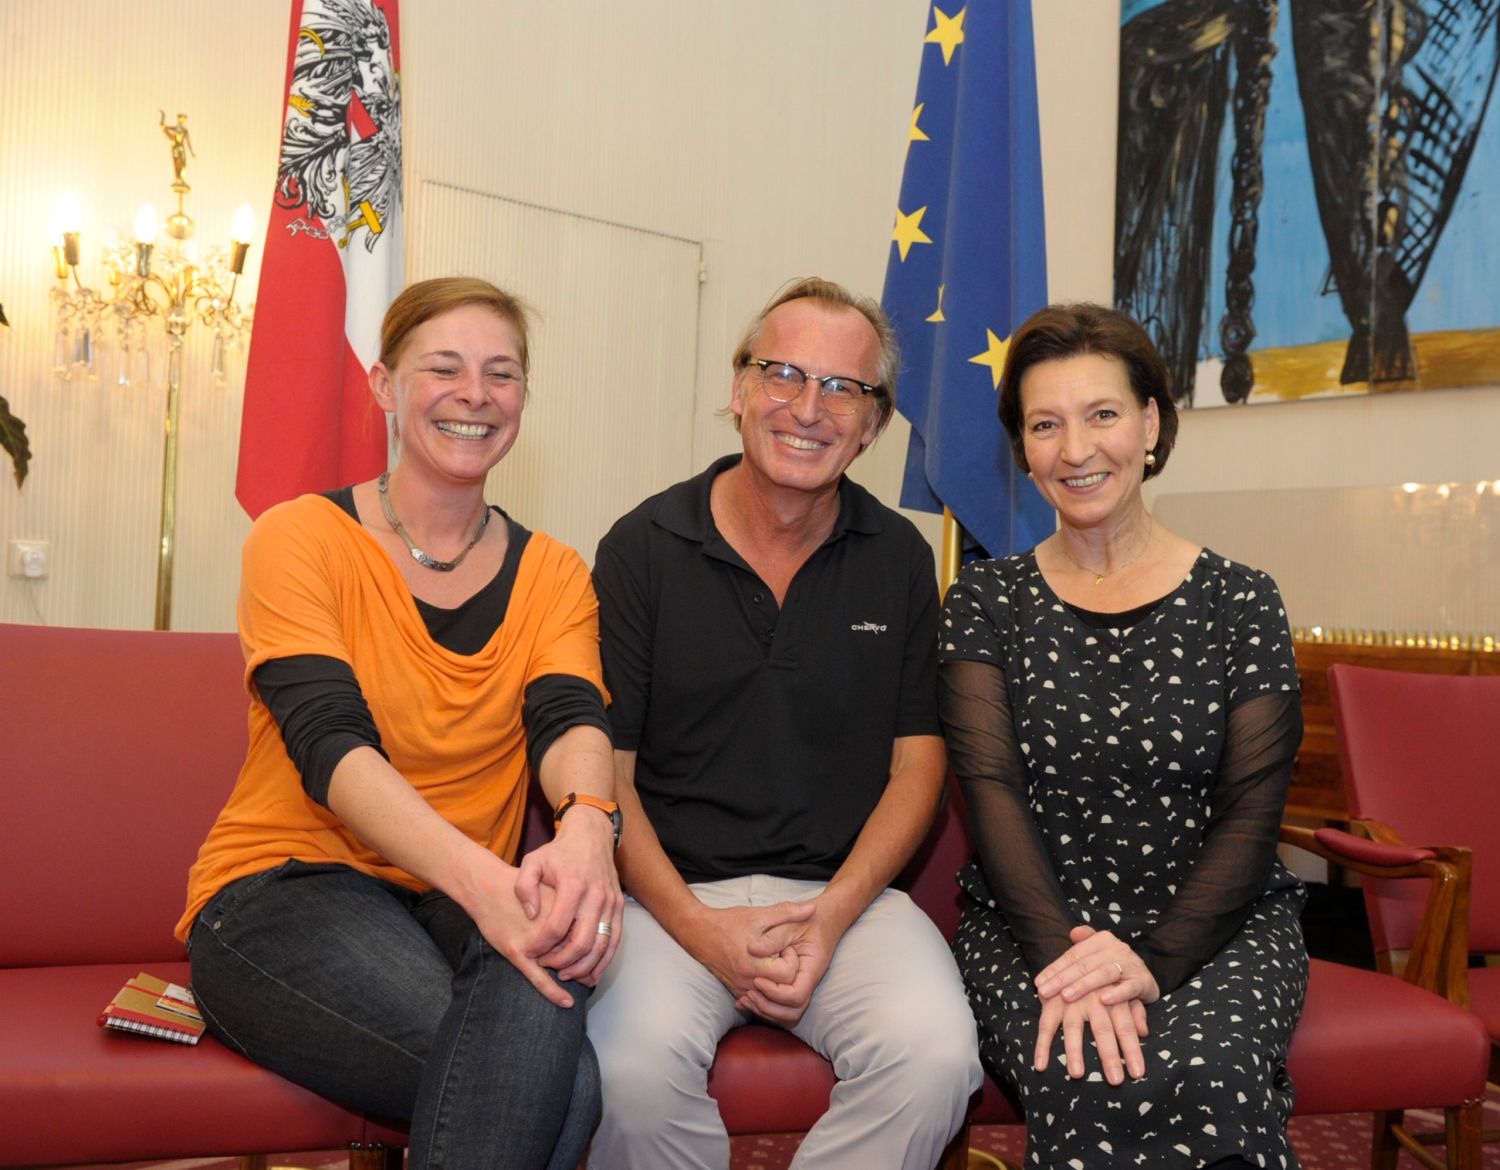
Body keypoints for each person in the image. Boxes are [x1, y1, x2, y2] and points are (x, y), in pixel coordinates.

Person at [179, 277, 621, 1170]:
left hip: (453, 904)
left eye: (502, 374)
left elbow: (571, 717)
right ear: (383, 385)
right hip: (284, 892)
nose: (475, 394)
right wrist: (487, 887)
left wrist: (586, 832)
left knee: (544, 1048)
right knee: (558, 1088)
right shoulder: (299, 537)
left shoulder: (557, 573)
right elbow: (330, 746)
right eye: (444, 368)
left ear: (523, 400)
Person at [579, 277, 981, 1170]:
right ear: (738, 390)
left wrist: (832, 917)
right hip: (665, 899)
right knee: (628, 1074)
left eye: (845, 388)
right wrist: (698, 928)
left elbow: (919, 771)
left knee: (937, 1056)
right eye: (783, 373)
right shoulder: (641, 548)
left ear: (875, 425)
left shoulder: (902, 560)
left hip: (847, 901)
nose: (810, 407)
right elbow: (607, 775)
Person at [938, 303, 1307, 1168]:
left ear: (1150, 422)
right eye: (1044, 425)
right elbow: (990, 795)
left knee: (1211, 1070)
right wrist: (1074, 961)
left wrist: (1154, 961)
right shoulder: (986, 603)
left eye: (1102, 414)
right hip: (1035, 923)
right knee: (1088, 1064)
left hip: (1217, 921)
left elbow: (1254, 813)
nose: (1076, 450)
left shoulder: (1241, 601)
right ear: (1020, 448)